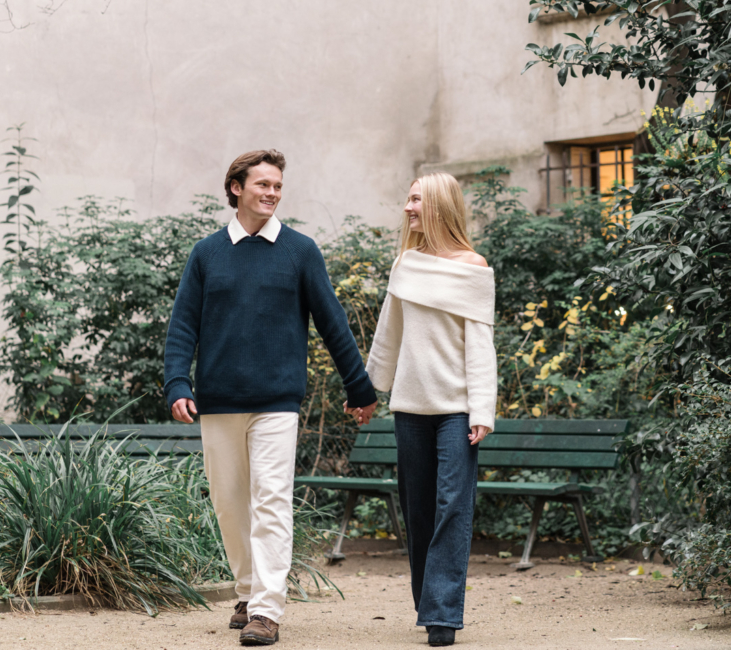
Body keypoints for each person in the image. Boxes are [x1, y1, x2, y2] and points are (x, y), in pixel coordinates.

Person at [164, 149, 379, 647]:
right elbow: (182, 327)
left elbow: (332, 322)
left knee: (272, 501)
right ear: (236, 188)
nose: (272, 193)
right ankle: (247, 590)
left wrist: (359, 387)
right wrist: (178, 383)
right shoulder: (207, 254)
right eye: (263, 184)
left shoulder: (299, 251)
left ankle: (266, 610)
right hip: (218, 401)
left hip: (277, 401)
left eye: (278, 186)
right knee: (228, 502)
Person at [365, 172, 496, 648]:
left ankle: (441, 615)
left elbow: (480, 346)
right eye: (407, 199)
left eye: (416, 199)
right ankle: (429, 601)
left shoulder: (473, 266)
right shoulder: (406, 265)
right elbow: (388, 334)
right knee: (418, 509)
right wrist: (368, 391)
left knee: (452, 506)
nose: (408, 208)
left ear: (439, 205)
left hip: (458, 410)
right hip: (410, 409)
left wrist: (482, 408)